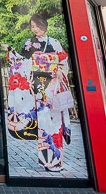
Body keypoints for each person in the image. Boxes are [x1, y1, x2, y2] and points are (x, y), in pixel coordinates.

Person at [5, 13, 73, 172]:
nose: (34, 29)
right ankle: (46, 161)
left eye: (37, 26)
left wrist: (60, 72)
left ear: (44, 25)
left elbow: (63, 63)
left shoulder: (55, 43)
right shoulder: (29, 43)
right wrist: (10, 51)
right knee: (43, 123)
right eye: (32, 26)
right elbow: (21, 62)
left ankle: (57, 161)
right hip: (38, 88)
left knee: (55, 123)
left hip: (53, 86)